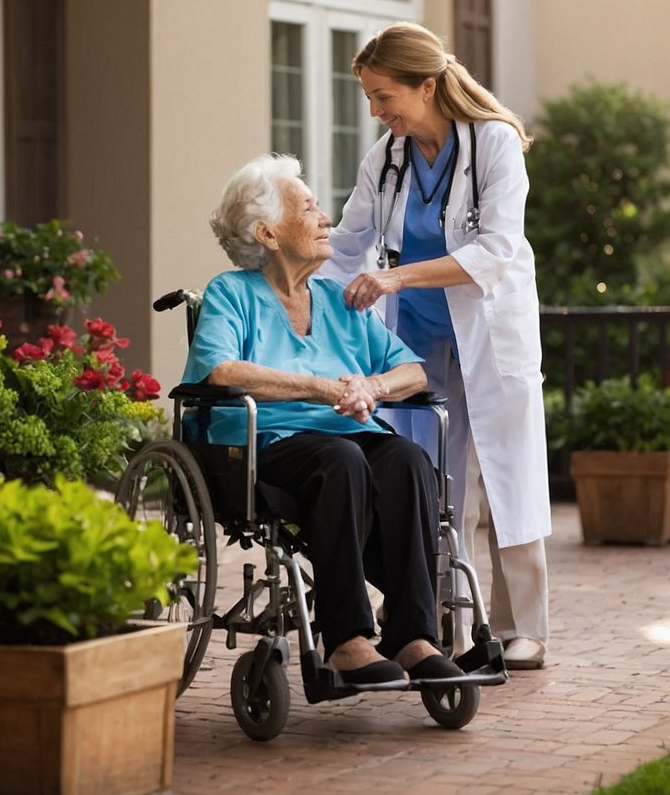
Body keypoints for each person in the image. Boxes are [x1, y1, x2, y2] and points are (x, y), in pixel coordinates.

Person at [181, 153, 461, 684]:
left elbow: (414, 372)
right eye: (308, 207)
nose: (326, 217)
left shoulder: (338, 299)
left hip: (345, 437)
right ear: (266, 232)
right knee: (342, 458)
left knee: (405, 457)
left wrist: (371, 386)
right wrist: (321, 387)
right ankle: (347, 640)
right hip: (265, 441)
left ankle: (411, 636)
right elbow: (219, 372)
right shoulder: (231, 293)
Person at [323, 21, 551, 670]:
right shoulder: (387, 158)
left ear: (427, 86)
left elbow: (497, 250)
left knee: (507, 473)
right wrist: (287, 283)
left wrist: (394, 274)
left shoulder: (494, 144)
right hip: (415, 340)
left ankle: (520, 627)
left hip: (489, 332)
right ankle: (437, 624)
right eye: (369, 97)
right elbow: (347, 246)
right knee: (430, 482)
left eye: (383, 95)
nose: (376, 110)